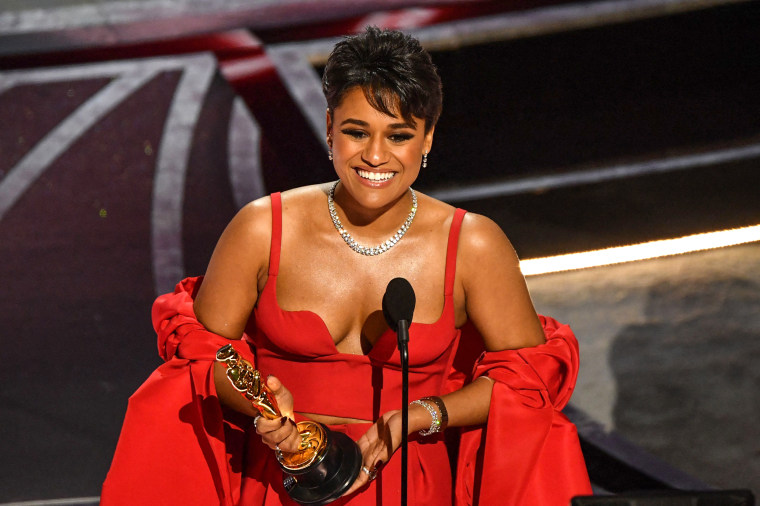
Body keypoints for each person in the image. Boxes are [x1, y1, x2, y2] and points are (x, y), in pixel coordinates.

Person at [102, 26, 591, 505]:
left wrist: (419, 415)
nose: (375, 156)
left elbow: (526, 381)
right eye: (357, 132)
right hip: (281, 479)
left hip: (412, 487)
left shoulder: (473, 244)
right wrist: (266, 409)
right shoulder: (262, 229)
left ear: (427, 139)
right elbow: (203, 359)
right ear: (330, 127)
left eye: (399, 135)